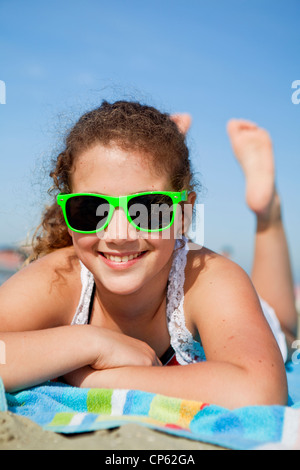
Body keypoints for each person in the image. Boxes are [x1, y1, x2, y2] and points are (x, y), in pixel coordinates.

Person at [0, 101, 296, 409]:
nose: (118, 235)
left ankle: (268, 213)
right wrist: (90, 343)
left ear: (184, 213)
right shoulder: (61, 276)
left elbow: (259, 390)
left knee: (285, 331)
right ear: (66, 212)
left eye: (147, 209)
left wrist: (99, 379)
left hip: (250, 318)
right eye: (90, 209)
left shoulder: (208, 277)